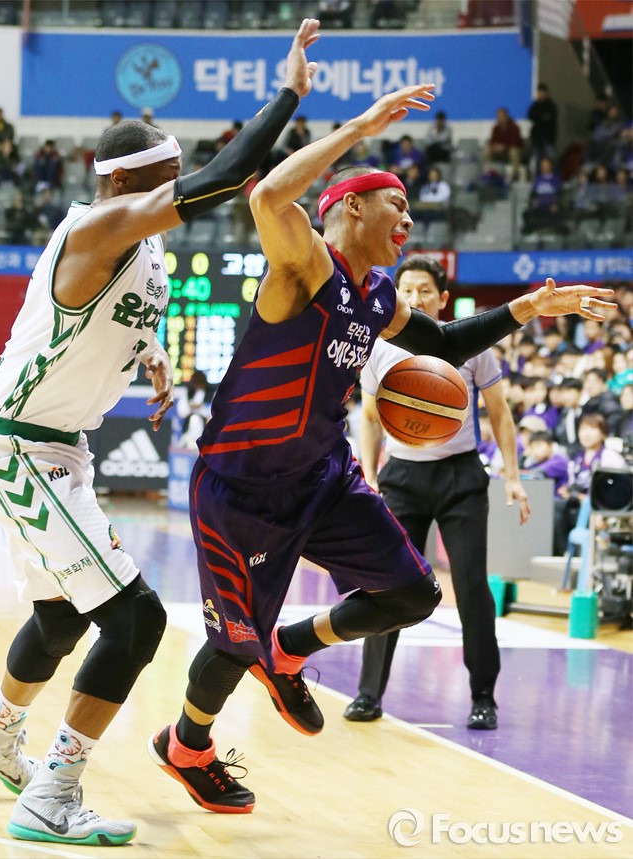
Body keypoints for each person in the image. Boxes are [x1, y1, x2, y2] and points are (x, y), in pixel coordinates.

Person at [145, 81, 615, 814]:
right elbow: (266, 194)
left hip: (322, 477)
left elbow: (446, 344)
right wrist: (361, 126)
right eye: (398, 204)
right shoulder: (306, 265)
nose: (409, 219)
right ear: (352, 207)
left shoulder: (380, 296)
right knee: (233, 643)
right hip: (241, 488)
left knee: (413, 593)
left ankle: (289, 648)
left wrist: (528, 307)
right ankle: (187, 744)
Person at [0, 18, 322, 846]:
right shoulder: (93, 226)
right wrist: (288, 95)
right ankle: (52, 793)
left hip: (52, 447)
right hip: (19, 448)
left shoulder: (141, 248)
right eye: (165, 179)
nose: (176, 189)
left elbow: (113, 313)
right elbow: (226, 177)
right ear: (126, 181)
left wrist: (148, 349)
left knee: (61, 617)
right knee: (136, 619)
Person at [343, 255, 530, 730]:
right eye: (407, 289)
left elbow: (500, 413)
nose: (416, 298)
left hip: (460, 479)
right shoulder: (379, 348)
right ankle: (368, 694)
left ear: (443, 298)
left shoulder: (471, 344)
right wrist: (370, 475)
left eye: (425, 290)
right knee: (387, 586)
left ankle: (483, 697)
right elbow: (370, 419)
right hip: (402, 478)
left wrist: (512, 475)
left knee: (471, 588)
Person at [553, 413, 626, 554]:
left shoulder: (610, 457)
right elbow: (572, 484)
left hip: (599, 507)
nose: (586, 434)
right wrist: (567, 491)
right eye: (583, 429)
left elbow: (617, 490)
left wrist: (587, 499)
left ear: (603, 433)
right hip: (577, 504)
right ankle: (565, 552)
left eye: (592, 429)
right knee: (557, 506)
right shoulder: (577, 459)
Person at [527, 83, 558, 169]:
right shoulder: (535, 105)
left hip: (548, 137)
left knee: (552, 157)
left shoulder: (551, 105)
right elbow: (531, 116)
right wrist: (542, 117)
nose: (540, 94)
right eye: (539, 92)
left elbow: (550, 117)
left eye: (542, 92)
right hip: (537, 138)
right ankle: (538, 175)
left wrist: (540, 118)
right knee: (537, 159)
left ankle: (554, 174)